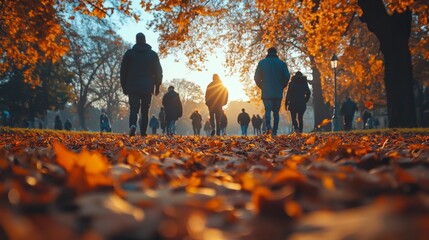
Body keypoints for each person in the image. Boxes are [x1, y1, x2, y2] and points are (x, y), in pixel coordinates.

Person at [120, 32, 163, 137]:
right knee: (145, 110)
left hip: (132, 86)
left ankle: (133, 126)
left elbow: (123, 71)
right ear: (145, 40)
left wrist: (124, 86)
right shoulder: (152, 54)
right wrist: (157, 86)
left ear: (136, 40)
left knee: (134, 109)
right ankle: (143, 132)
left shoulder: (129, 54)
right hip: (147, 86)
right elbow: (158, 72)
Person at [254, 47, 290, 136]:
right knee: (276, 112)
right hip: (277, 91)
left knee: (267, 111)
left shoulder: (262, 63)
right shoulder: (282, 64)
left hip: (267, 91)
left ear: (268, 52)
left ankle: (268, 128)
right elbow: (287, 76)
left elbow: (256, 77)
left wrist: (262, 86)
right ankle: (275, 130)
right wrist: (282, 86)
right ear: (276, 52)